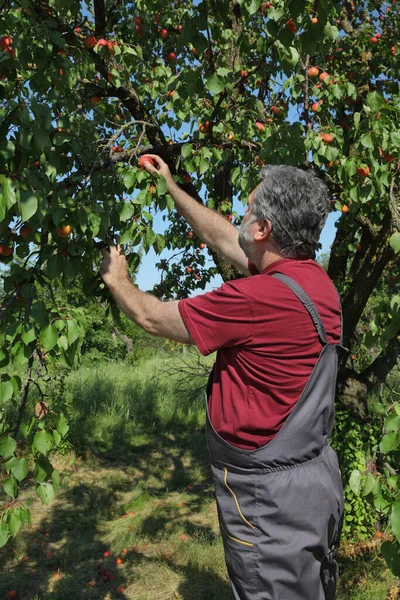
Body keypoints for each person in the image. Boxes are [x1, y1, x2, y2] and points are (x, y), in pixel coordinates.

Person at [100, 155, 348, 600]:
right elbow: (223, 238)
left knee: (267, 588)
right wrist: (173, 188)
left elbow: (152, 319)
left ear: (263, 230)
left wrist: (118, 280)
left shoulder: (252, 300)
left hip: (264, 498)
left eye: (248, 210)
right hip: (313, 480)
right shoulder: (314, 284)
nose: (240, 215)